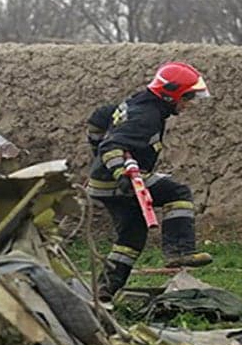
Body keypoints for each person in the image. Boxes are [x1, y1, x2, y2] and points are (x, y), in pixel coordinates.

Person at [86, 61, 213, 303]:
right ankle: (179, 251)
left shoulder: (137, 103)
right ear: (170, 95)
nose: (188, 104)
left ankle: (103, 292)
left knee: (132, 237)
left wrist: (95, 151)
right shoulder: (147, 116)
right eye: (186, 98)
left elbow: (98, 118)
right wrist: (121, 174)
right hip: (120, 180)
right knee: (178, 193)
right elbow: (112, 145)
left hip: (103, 182)